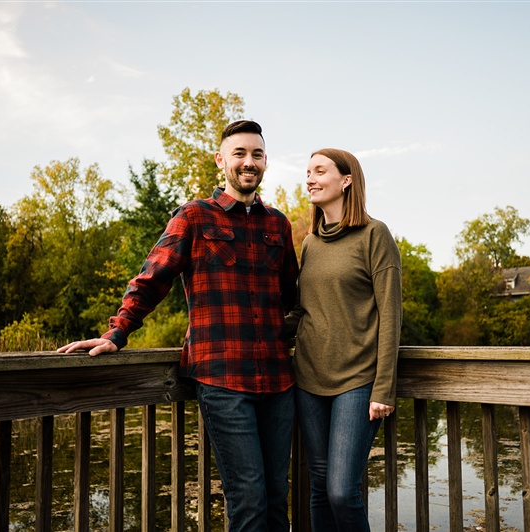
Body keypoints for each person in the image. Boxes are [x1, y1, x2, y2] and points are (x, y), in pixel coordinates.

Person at [58, 120, 299, 532]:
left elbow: (292, 299)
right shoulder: (193, 217)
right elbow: (151, 280)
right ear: (221, 161)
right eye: (239, 154)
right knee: (250, 499)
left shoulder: (278, 224)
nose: (248, 162)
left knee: (278, 498)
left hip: (278, 380)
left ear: (265, 162)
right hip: (222, 380)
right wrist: (117, 333)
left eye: (256, 154)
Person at [286, 148, 402, 531]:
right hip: (308, 379)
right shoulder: (310, 243)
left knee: (341, 490)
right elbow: (304, 311)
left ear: (346, 180)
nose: (310, 178)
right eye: (307, 172)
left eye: (319, 171)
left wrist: (383, 386)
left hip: (357, 381)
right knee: (319, 486)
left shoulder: (375, 235)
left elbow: (390, 314)